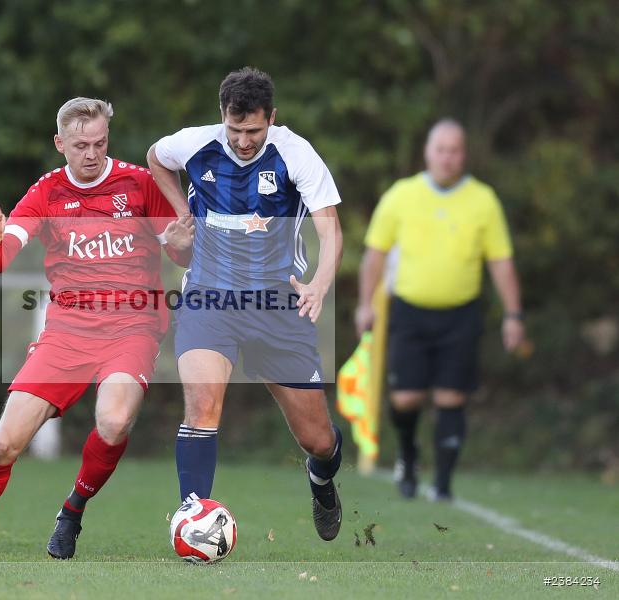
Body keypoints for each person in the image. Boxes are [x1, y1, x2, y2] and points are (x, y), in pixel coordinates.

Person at [0, 97, 193, 559]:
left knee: (115, 419)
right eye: (81, 145)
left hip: (132, 327)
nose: (92, 153)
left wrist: (181, 245)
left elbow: (179, 251)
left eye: (99, 143)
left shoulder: (139, 184)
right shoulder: (46, 193)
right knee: (3, 445)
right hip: (67, 333)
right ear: (60, 143)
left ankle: (72, 511)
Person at [147, 67, 345, 541]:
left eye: (253, 130)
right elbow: (156, 156)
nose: (243, 141)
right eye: (235, 130)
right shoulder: (197, 143)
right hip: (209, 297)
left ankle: (321, 481)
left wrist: (319, 283)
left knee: (318, 441)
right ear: (223, 117)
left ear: (271, 119)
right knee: (201, 406)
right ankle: (192, 522)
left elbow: (330, 228)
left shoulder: (295, 154)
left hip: (278, 305)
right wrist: (181, 211)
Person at [356, 119, 525, 500]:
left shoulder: (483, 200)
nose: (447, 158)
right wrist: (365, 305)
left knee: (452, 397)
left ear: (464, 155)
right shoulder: (402, 195)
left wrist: (514, 315)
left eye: (455, 150)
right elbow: (374, 255)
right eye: (441, 150)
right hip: (409, 312)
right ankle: (408, 454)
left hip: (460, 314)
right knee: (406, 398)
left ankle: (444, 484)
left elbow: (501, 262)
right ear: (428, 152)